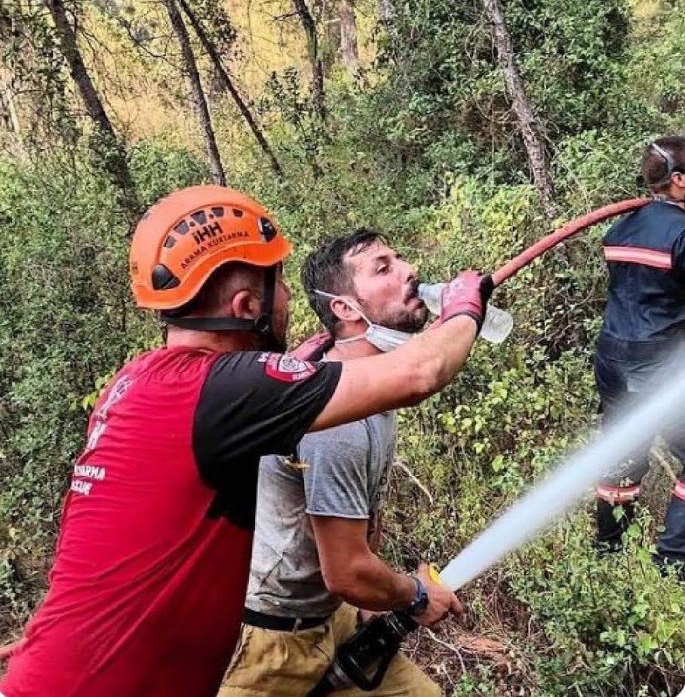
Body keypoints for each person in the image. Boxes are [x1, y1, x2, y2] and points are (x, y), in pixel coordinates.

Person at [0, 186, 490, 697]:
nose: (288, 301)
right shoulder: (225, 389)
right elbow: (420, 373)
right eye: (279, 285)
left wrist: (291, 381)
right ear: (246, 303)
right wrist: (463, 310)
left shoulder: (139, 381)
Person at [220, 229, 447, 697]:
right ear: (344, 309)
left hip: (332, 617)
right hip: (269, 643)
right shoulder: (336, 421)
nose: (409, 271)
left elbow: (356, 529)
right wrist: (417, 596)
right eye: (383, 267)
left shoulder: (368, 385)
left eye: (400, 257)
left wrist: (369, 603)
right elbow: (345, 572)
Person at [594, 137, 685, 575]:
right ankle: (673, 562)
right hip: (659, 367)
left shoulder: (621, 229)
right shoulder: (682, 235)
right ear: (679, 182)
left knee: (623, 454)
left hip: (612, 359)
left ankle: (609, 557)